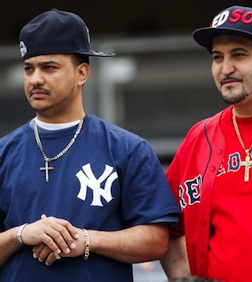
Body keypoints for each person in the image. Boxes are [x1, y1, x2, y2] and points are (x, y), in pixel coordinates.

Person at [0, 9, 180, 282]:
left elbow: (156, 241)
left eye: (49, 67)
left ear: (82, 73)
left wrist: (86, 240)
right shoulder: (4, 152)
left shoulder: (127, 148)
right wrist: (21, 234)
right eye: (29, 68)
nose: (35, 79)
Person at [160, 5, 252, 282]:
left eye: (239, 55)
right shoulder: (198, 137)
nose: (225, 68)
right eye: (218, 57)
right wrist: (181, 277)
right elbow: (165, 225)